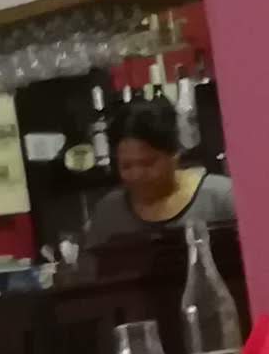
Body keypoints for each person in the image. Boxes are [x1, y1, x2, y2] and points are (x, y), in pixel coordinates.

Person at [83, 96, 236, 256]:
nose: (137, 175)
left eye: (147, 163)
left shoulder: (222, 197)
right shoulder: (108, 212)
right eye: (126, 166)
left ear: (175, 155)